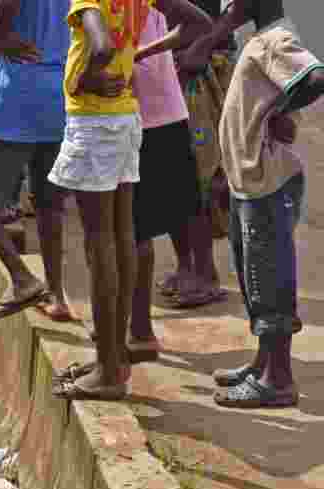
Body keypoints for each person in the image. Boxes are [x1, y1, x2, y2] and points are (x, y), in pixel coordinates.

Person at [48, 0, 210, 401]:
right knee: (123, 238)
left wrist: (81, 78)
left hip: (95, 119)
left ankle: (107, 370)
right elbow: (200, 20)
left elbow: (100, 46)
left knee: (100, 242)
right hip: (124, 117)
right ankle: (114, 355)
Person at [180, 0, 324, 408]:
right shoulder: (260, 39)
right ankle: (263, 364)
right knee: (254, 279)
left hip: (268, 183)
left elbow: (314, 77)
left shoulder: (274, 40)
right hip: (250, 182)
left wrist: (278, 108)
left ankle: (277, 380)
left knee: (270, 280)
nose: (228, 8)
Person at [0, 0, 74, 322]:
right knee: (48, 203)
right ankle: (57, 296)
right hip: (58, 91)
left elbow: (4, 35)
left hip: (18, 94)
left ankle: (21, 278)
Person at [127, 6, 212, 360]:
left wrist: (142, 54)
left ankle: (194, 272)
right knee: (162, 208)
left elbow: (198, 24)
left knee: (174, 204)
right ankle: (186, 271)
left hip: (154, 107)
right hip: (142, 108)